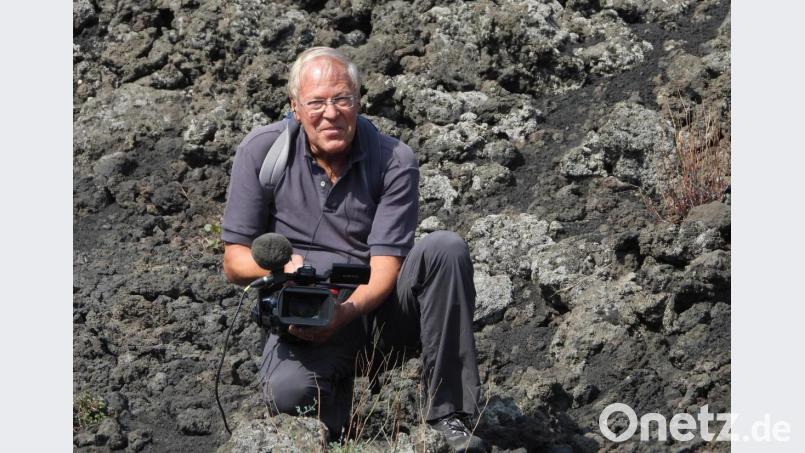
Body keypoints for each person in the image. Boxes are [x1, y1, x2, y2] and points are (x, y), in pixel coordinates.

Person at [220, 47, 485, 452]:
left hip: (374, 314)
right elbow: (234, 260)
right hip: (302, 318)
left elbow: (386, 267)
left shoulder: (393, 159)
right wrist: (281, 270)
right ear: (295, 107)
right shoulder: (261, 152)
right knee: (288, 396)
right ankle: (339, 418)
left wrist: (344, 312)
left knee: (445, 249)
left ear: (359, 101)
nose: (331, 113)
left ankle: (449, 415)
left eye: (342, 99)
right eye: (316, 103)